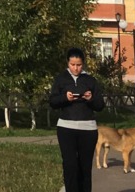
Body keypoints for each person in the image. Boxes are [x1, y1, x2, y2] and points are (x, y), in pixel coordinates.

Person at [49, 47, 105, 192]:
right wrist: (64, 98)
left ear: (83, 63)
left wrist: (90, 99)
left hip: (88, 129)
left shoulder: (90, 80)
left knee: (85, 167)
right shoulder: (61, 79)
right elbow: (53, 102)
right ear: (68, 63)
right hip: (66, 128)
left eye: (79, 65)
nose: (75, 68)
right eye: (72, 64)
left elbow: (100, 105)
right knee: (70, 165)